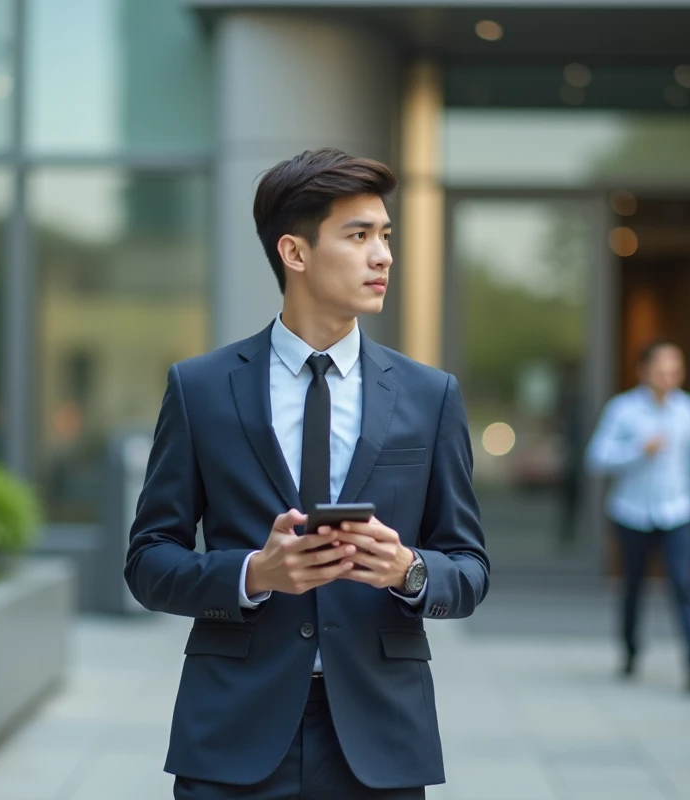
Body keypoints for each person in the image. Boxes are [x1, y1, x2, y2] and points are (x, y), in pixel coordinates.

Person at [125, 148, 490, 799]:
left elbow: (469, 567)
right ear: (294, 253)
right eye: (358, 236)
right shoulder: (201, 389)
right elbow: (149, 561)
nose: (383, 256)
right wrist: (251, 575)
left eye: (385, 236)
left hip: (380, 741)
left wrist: (408, 569)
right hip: (232, 733)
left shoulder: (430, 396)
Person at [585, 340, 690, 693]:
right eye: (662, 370)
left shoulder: (689, 410)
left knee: (684, 584)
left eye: (675, 370)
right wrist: (638, 450)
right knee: (633, 588)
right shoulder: (622, 409)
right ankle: (631, 649)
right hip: (631, 514)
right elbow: (597, 457)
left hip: (677, 512)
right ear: (644, 371)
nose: (670, 377)